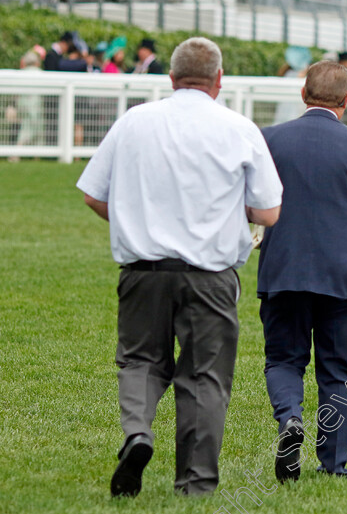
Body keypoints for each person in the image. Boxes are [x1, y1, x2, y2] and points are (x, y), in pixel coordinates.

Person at [76, 37, 283, 498]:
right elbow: (268, 212)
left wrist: (134, 218)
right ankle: (195, 483)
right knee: (204, 377)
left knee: (138, 361)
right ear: (219, 80)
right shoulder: (238, 127)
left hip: (141, 270)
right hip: (210, 274)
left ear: (170, 78)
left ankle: (137, 433)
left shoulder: (134, 121)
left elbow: (93, 193)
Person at [258, 60, 347, 481]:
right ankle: (333, 465)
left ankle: (289, 418)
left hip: (283, 269)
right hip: (342, 276)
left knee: (284, 360)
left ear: (303, 94)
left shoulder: (271, 139)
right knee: (337, 370)